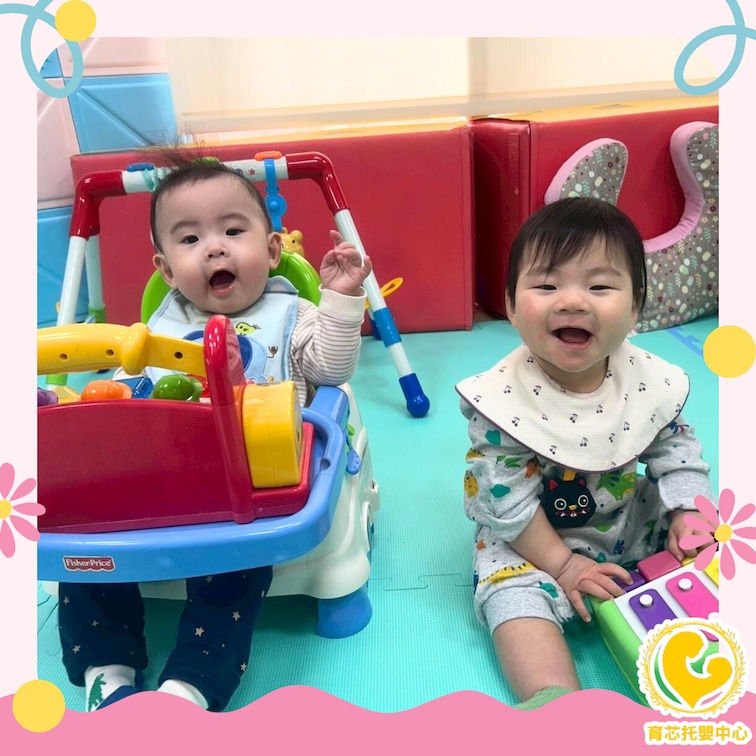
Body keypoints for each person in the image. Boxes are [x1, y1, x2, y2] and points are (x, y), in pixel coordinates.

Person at [57, 154, 373, 712]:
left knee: (234, 565)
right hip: (160, 480)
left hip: (249, 485)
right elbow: (131, 397)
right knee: (82, 550)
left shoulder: (291, 314)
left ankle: (190, 687)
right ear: (166, 270)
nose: (214, 248)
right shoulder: (155, 328)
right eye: (190, 238)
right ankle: (107, 671)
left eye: (232, 231)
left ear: (271, 250)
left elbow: (331, 368)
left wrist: (342, 300)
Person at [456, 197, 713, 710]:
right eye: (546, 286)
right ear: (510, 306)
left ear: (636, 306)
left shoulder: (646, 379)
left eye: (599, 287)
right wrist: (564, 566)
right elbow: (506, 503)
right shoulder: (503, 399)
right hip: (534, 538)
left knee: (716, 540)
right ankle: (555, 703)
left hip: (629, 517)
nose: (572, 302)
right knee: (511, 596)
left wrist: (688, 512)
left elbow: (675, 446)